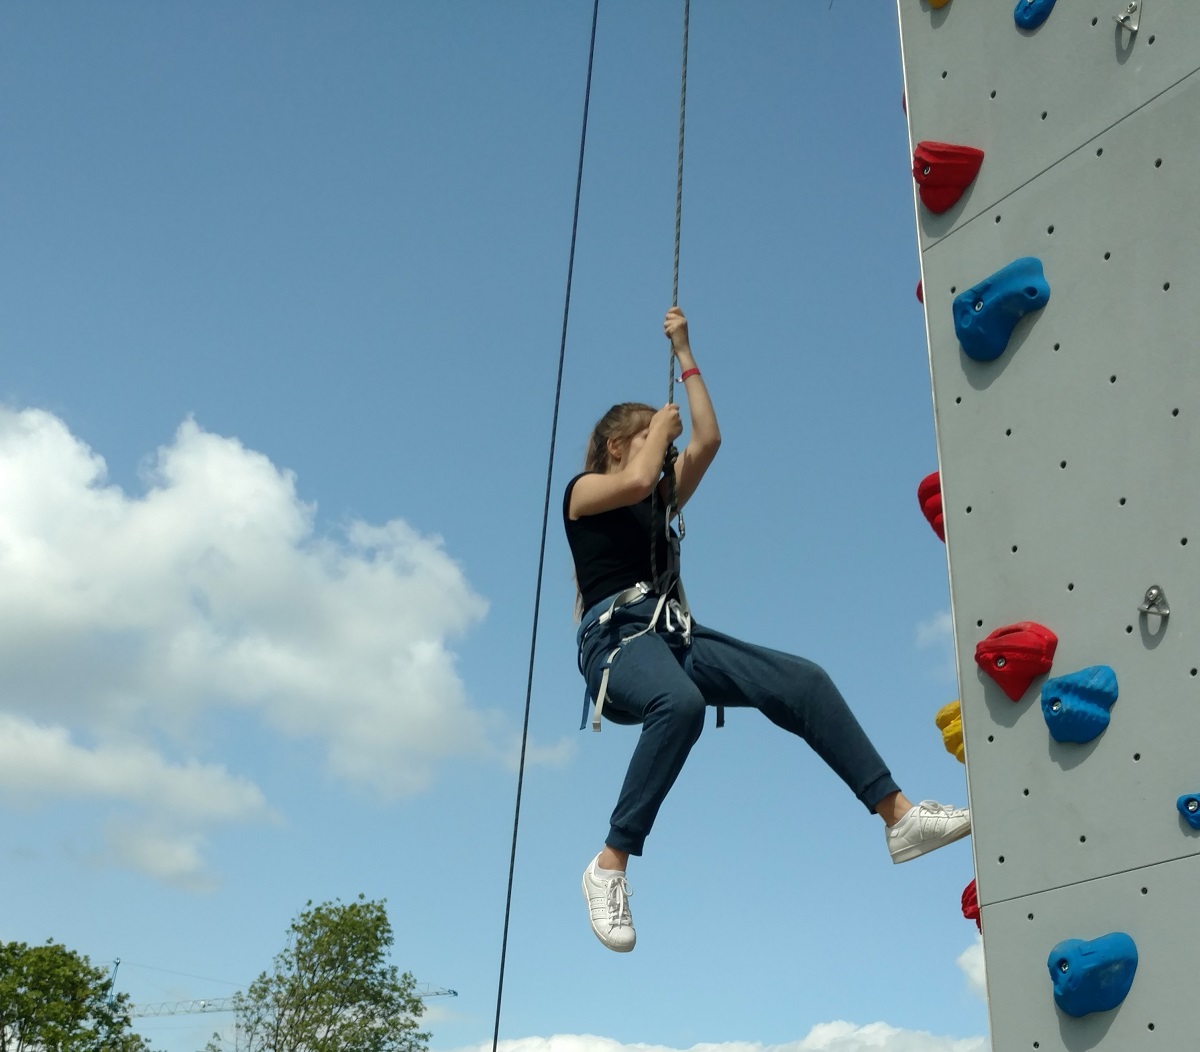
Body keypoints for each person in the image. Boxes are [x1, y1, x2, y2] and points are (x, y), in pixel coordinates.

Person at [563, 306, 971, 953]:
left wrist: (687, 356)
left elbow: (709, 443)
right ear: (620, 445)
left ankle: (898, 818)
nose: (667, 454)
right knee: (682, 705)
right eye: (652, 440)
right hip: (616, 643)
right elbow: (639, 475)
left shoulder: (656, 498)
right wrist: (655, 436)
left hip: (673, 637)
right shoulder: (583, 492)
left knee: (802, 682)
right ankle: (609, 864)